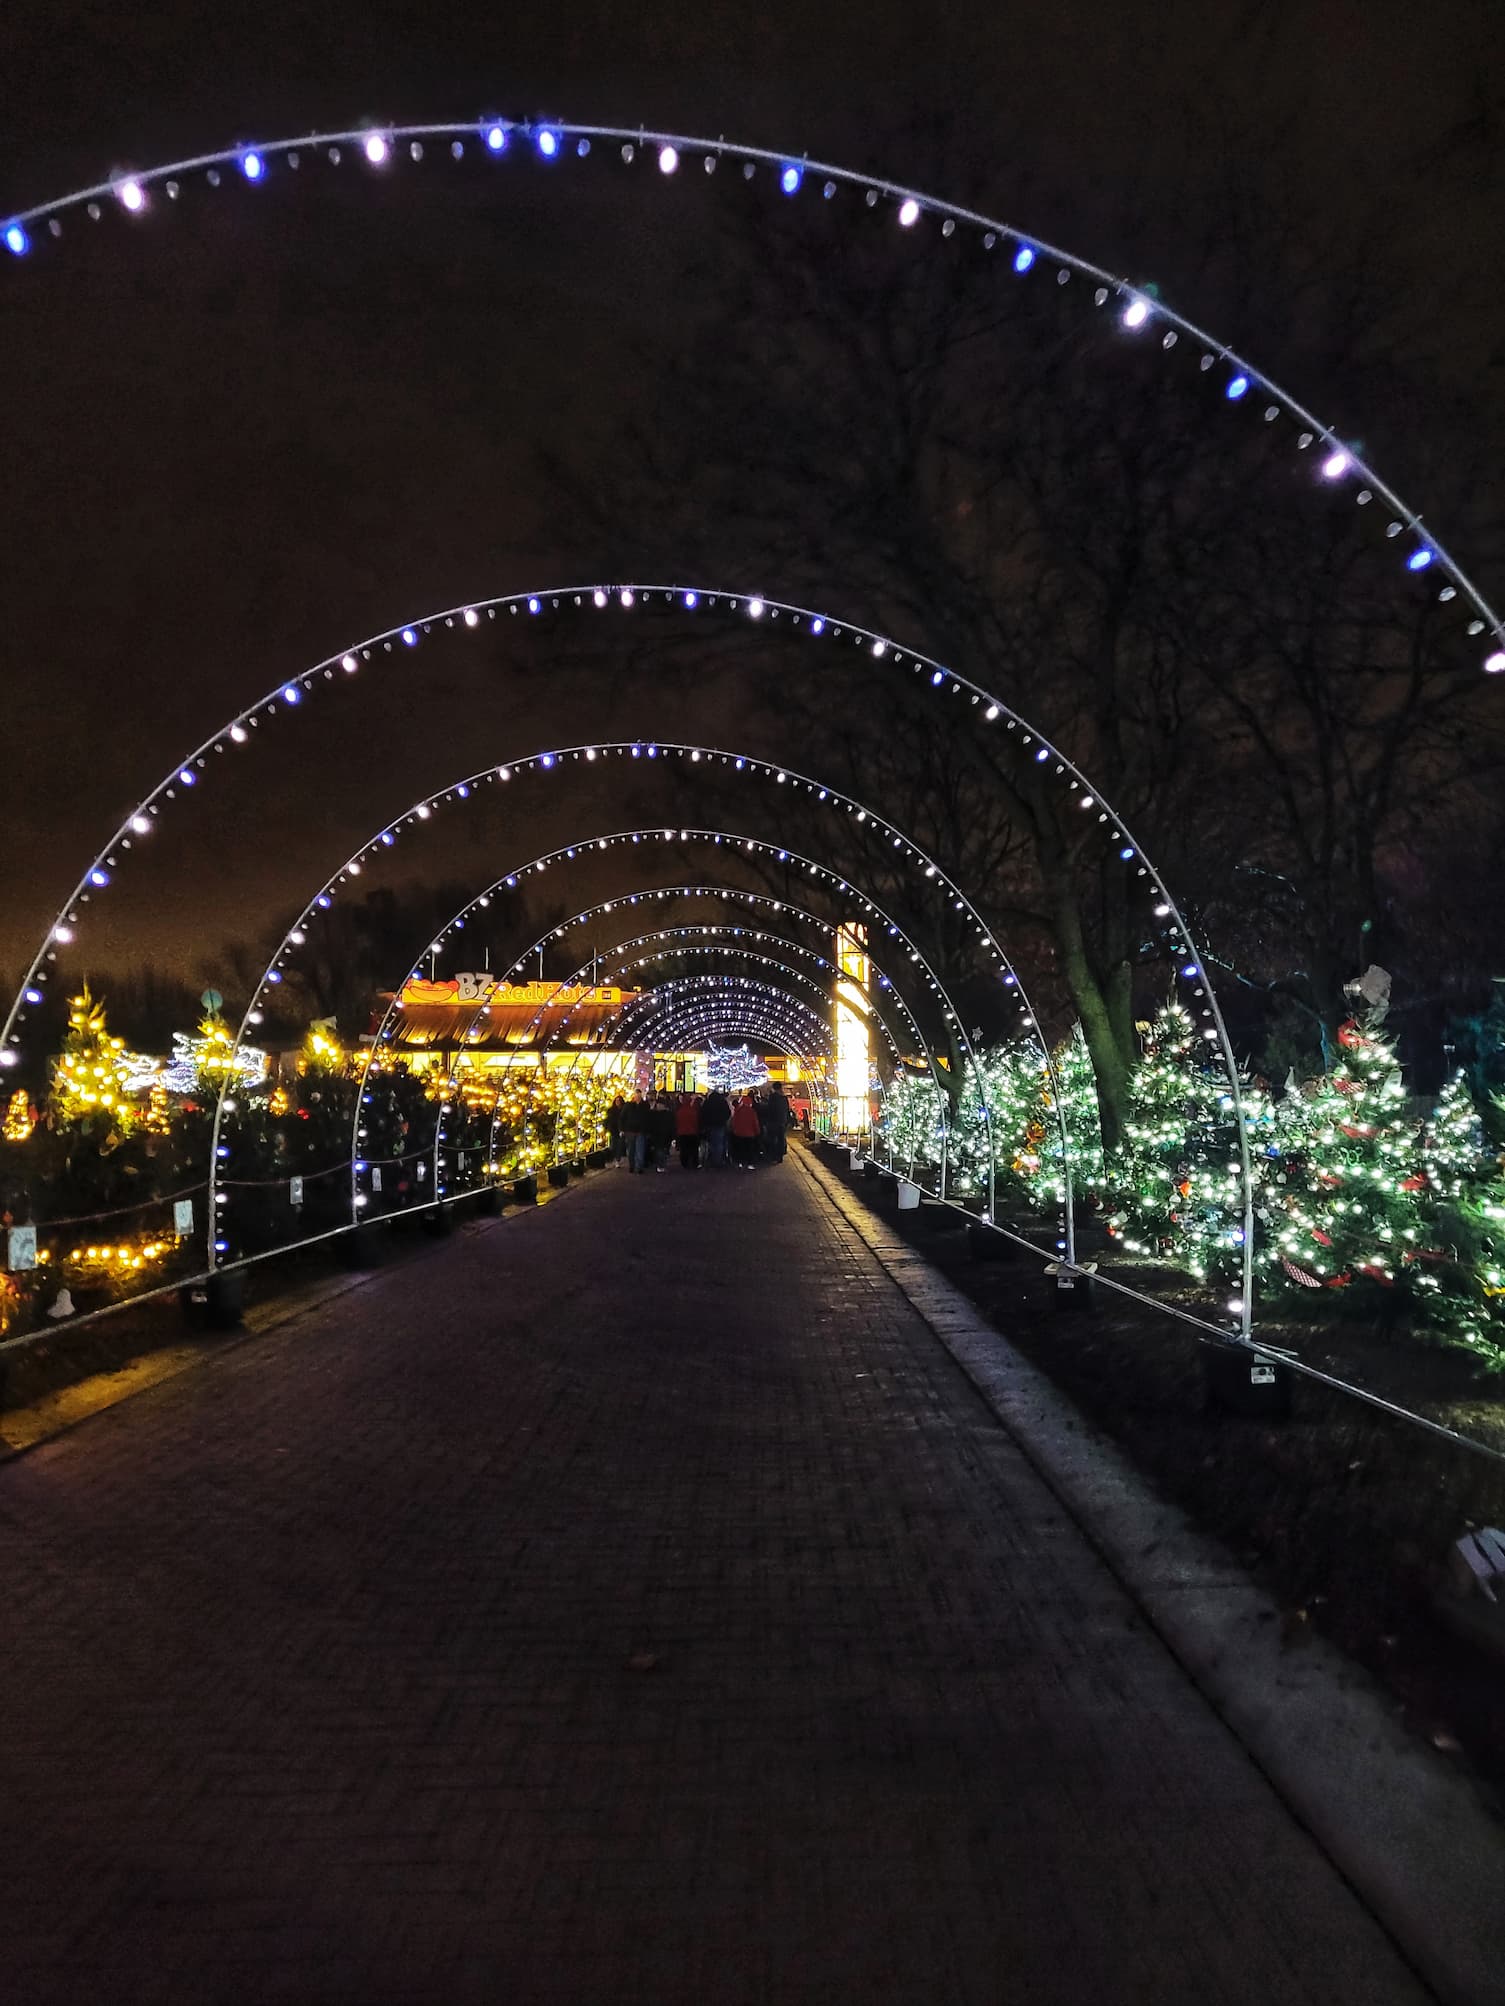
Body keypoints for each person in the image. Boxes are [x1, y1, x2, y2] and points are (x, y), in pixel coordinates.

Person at [701, 1085, 731, 1167]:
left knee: (711, 1143)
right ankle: (718, 1161)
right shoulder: (722, 1101)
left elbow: (703, 1113)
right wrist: (723, 1120)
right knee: (719, 1143)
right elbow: (728, 1112)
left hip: (709, 1125)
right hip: (720, 1124)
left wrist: (705, 1122)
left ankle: (711, 1159)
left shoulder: (708, 1102)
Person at [729, 1091, 761, 1169]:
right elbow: (755, 1122)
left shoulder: (738, 1111)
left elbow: (734, 1122)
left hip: (739, 1133)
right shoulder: (752, 1111)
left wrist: (734, 1130)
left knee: (740, 1149)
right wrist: (757, 1131)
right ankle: (750, 1163)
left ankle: (740, 1162)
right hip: (750, 1134)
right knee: (750, 1149)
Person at [621, 1093, 650, 1174]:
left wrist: (647, 1130)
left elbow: (648, 1118)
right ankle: (632, 1165)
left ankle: (639, 1166)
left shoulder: (644, 1106)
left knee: (640, 1150)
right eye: (636, 1097)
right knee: (631, 1150)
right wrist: (622, 1129)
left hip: (640, 1131)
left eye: (639, 1097)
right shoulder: (628, 1106)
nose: (638, 1099)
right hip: (630, 1131)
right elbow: (622, 1117)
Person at [762, 1083, 790, 1163]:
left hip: (773, 1122)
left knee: (773, 1139)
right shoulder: (784, 1098)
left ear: (774, 1088)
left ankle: (774, 1156)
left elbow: (769, 1110)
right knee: (781, 1139)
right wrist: (787, 1121)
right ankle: (780, 1157)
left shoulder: (772, 1097)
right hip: (782, 1122)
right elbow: (787, 1110)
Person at [675, 1092, 703, 1170]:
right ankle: (694, 1163)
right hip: (692, 1132)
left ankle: (685, 1163)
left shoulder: (679, 1111)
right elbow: (696, 1122)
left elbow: (677, 1122)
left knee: (684, 1149)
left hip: (682, 1133)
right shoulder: (693, 1111)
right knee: (693, 1149)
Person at [649, 1093, 675, 1172]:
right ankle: (661, 1165)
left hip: (664, 1135)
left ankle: (661, 1164)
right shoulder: (655, 1114)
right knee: (660, 1150)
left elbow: (672, 1125)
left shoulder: (667, 1114)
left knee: (663, 1150)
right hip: (658, 1135)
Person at [606, 1092, 627, 1162]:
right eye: (616, 1101)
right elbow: (608, 1120)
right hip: (613, 1130)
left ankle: (618, 1159)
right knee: (613, 1146)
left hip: (621, 1130)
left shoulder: (624, 1110)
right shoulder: (611, 1110)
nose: (618, 1102)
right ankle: (614, 1158)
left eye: (619, 1101)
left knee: (620, 1146)